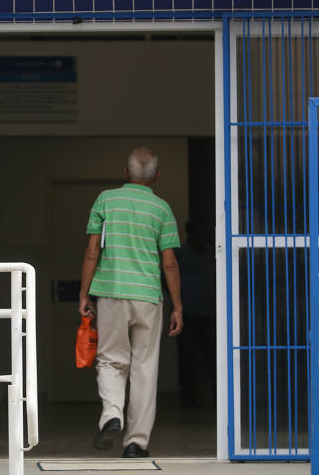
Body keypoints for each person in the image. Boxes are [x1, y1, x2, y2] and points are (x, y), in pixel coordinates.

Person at [78, 147, 184, 458]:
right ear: (156, 177)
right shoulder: (162, 209)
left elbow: (92, 251)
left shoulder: (106, 200)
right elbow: (170, 264)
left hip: (111, 292)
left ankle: (112, 414)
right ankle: (136, 443)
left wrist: (85, 293)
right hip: (149, 297)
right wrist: (177, 306)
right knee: (145, 367)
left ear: (126, 173)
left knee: (111, 359)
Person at [175, 218, 216, 408]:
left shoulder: (213, 253)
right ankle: (187, 398)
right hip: (188, 314)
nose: (201, 236)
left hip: (210, 313)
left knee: (213, 357)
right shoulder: (180, 254)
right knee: (187, 358)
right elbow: (167, 279)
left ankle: (218, 398)